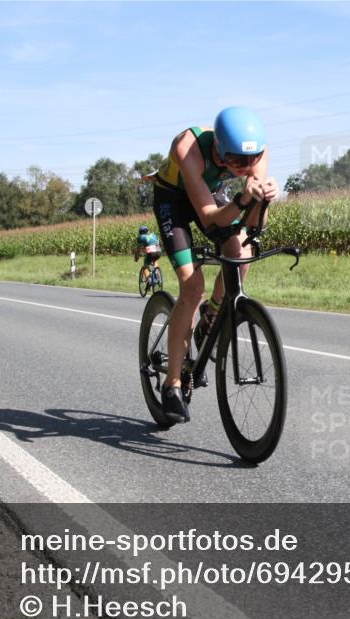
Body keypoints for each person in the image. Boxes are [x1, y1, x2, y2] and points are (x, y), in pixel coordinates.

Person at [144, 107, 278, 424]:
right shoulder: (187, 148)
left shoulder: (254, 154)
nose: (246, 168)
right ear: (218, 149)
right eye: (237, 163)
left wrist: (264, 200)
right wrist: (244, 199)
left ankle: (212, 315)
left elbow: (255, 225)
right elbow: (208, 217)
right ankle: (172, 384)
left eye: (252, 161)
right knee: (192, 287)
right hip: (173, 201)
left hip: (211, 193)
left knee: (241, 252)